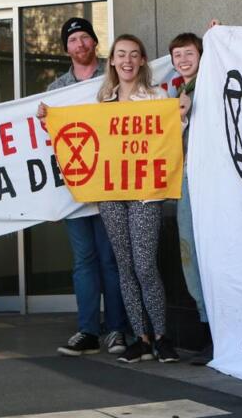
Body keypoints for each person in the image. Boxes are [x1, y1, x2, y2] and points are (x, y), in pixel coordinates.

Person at [38, 17, 129, 357]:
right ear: (67, 49)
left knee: (111, 259)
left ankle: (117, 328)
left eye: (85, 38)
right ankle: (88, 329)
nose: (80, 45)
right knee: (84, 261)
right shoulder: (56, 89)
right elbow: (49, 139)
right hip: (75, 187)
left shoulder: (114, 74)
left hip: (110, 182)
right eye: (73, 40)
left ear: (94, 42)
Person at [95, 34, 180, 364]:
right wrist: (51, 122)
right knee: (126, 267)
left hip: (145, 194)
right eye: (121, 55)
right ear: (113, 62)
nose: (127, 60)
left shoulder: (155, 97)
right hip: (112, 195)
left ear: (142, 60)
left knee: (145, 266)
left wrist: (181, 113)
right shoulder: (103, 104)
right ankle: (141, 338)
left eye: (134, 54)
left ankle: (162, 336)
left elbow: (173, 133)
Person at [169, 31, 213, 366]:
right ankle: (206, 329)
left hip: (209, 179)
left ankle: (216, 333)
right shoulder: (176, 91)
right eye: (177, 56)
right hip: (183, 181)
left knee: (210, 253)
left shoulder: (212, 81)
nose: (184, 60)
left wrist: (217, 36)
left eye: (189, 54)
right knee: (191, 256)